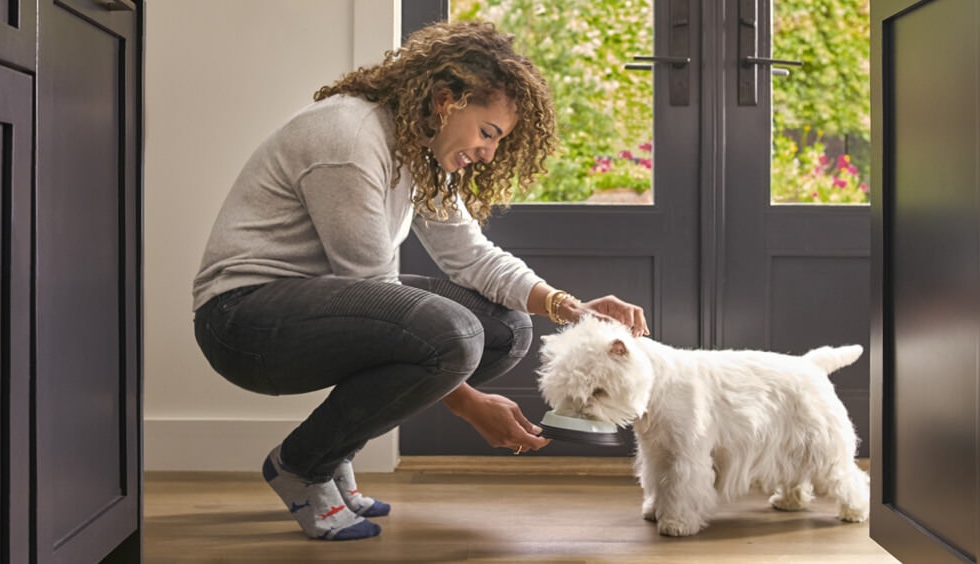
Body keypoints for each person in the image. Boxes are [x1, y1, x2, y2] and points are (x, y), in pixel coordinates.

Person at [190, 20, 649, 541]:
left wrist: (570, 306)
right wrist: (471, 406)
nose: (489, 153)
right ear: (446, 100)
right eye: (488, 132)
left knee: (505, 328)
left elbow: (471, 256)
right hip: (243, 321)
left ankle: (332, 448)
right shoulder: (350, 136)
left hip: (323, 305)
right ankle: (302, 466)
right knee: (450, 333)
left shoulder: (419, 152)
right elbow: (372, 287)